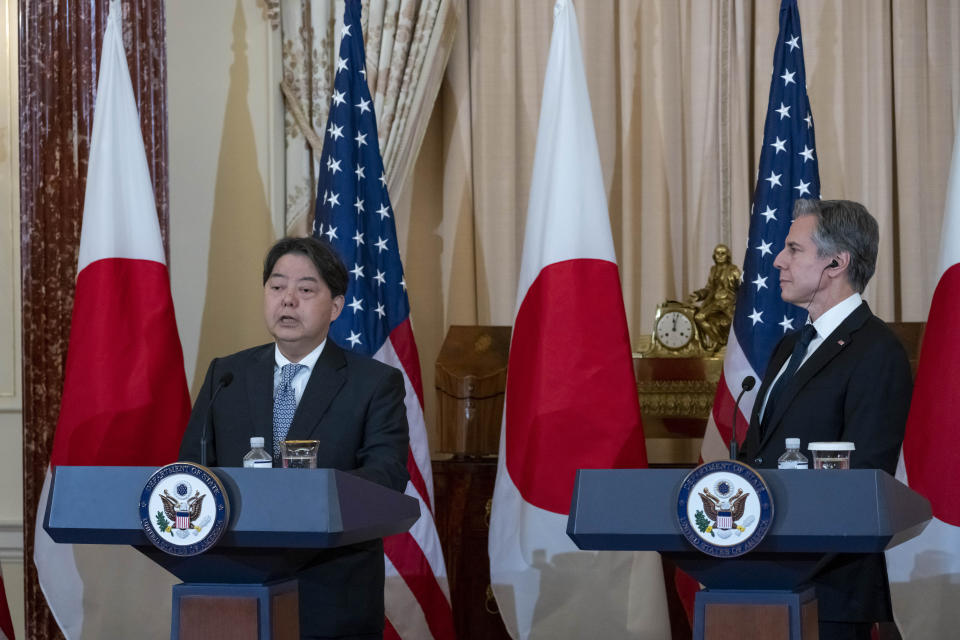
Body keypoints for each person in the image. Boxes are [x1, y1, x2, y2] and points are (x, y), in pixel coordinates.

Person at [179, 236, 410, 640]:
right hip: (233, 592)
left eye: (305, 290)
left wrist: (308, 494)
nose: (287, 300)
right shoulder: (226, 376)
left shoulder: (374, 383)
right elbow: (192, 470)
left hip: (333, 596)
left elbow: (387, 475)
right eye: (276, 286)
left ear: (336, 306)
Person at [737, 199, 912, 640]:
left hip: (829, 593)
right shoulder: (788, 347)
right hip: (760, 579)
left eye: (793, 249)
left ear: (836, 262)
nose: (777, 260)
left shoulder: (876, 351)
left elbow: (864, 480)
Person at [688, 243, 741, 352]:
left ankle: (725, 344)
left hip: (728, 303)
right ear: (714, 255)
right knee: (699, 317)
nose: (720, 256)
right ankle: (719, 341)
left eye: (723, 253)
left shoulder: (734, 270)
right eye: (718, 253)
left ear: (728, 256)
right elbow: (709, 289)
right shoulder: (713, 270)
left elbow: (741, 288)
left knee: (735, 325)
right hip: (715, 303)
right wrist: (698, 295)